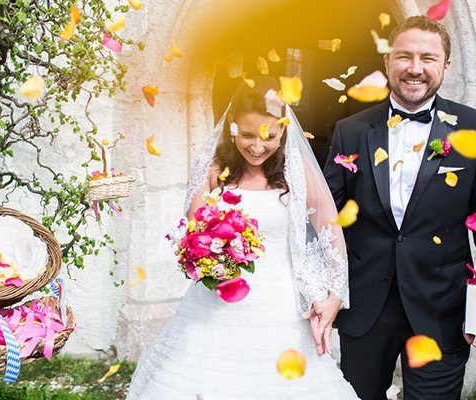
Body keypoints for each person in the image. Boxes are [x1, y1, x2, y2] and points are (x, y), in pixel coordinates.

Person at [127, 77, 360, 399]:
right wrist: (210, 253)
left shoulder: (296, 169)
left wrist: (333, 292)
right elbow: (191, 233)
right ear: (232, 129)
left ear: (283, 131)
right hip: (217, 302)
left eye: (268, 137)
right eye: (247, 135)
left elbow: (330, 230)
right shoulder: (213, 170)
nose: (256, 146)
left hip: (281, 306)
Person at [323, 15, 476, 400]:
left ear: (445, 65)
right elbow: (329, 220)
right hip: (366, 309)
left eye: (428, 58)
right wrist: (321, 291)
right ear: (387, 63)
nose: (414, 69)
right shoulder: (351, 130)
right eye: (404, 56)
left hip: (442, 307)